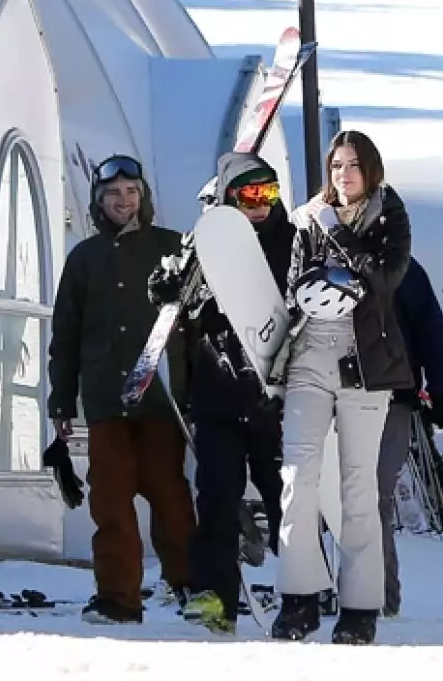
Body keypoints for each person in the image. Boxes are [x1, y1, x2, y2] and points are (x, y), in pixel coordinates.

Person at [272, 130, 412, 645]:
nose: (343, 174)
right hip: (310, 350)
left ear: (370, 169)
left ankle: (359, 606)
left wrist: (339, 236)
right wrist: (309, 287)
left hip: (365, 361)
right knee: (297, 477)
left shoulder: (389, 214)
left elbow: (386, 278)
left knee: (358, 486)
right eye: (336, 165)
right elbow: (292, 286)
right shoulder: (307, 218)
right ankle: (299, 598)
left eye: (353, 165)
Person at [47, 154, 197, 625]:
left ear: (143, 197)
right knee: (110, 501)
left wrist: (196, 389)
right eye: (113, 193)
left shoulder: (173, 248)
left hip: (161, 398)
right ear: (98, 199)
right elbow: (65, 335)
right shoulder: (84, 258)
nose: (123, 201)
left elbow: (198, 325)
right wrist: (61, 399)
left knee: (170, 496)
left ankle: (192, 587)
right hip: (106, 400)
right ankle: (118, 598)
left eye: (131, 192)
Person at [149, 152, 294, 634]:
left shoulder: (294, 244)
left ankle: (306, 589)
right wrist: (167, 285)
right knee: (216, 498)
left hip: (275, 398)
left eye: (269, 192)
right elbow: (179, 295)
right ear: (231, 198)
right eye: (250, 194)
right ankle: (213, 596)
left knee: (287, 497)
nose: (261, 203)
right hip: (219, 395)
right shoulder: (207, 246)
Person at [375, 255, 443, 617]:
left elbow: (431, 330)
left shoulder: (403, 267)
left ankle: (379, 593)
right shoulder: (328, 253)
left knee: (374, 494)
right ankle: (361, 589)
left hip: (394, 394)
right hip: (340, 394)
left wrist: (440, 390)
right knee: (354, 497)